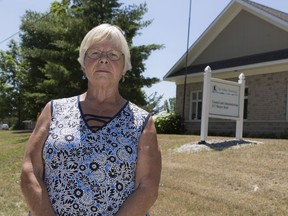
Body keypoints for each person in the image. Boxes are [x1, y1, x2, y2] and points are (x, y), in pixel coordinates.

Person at [20, 23, 162, 216]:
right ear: (83, 63)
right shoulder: (53, 110)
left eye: (113, 55)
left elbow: (147, 187)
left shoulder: (142, 122)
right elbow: (30, 169)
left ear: (124, 68)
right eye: (95, 53)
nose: (103, 60)